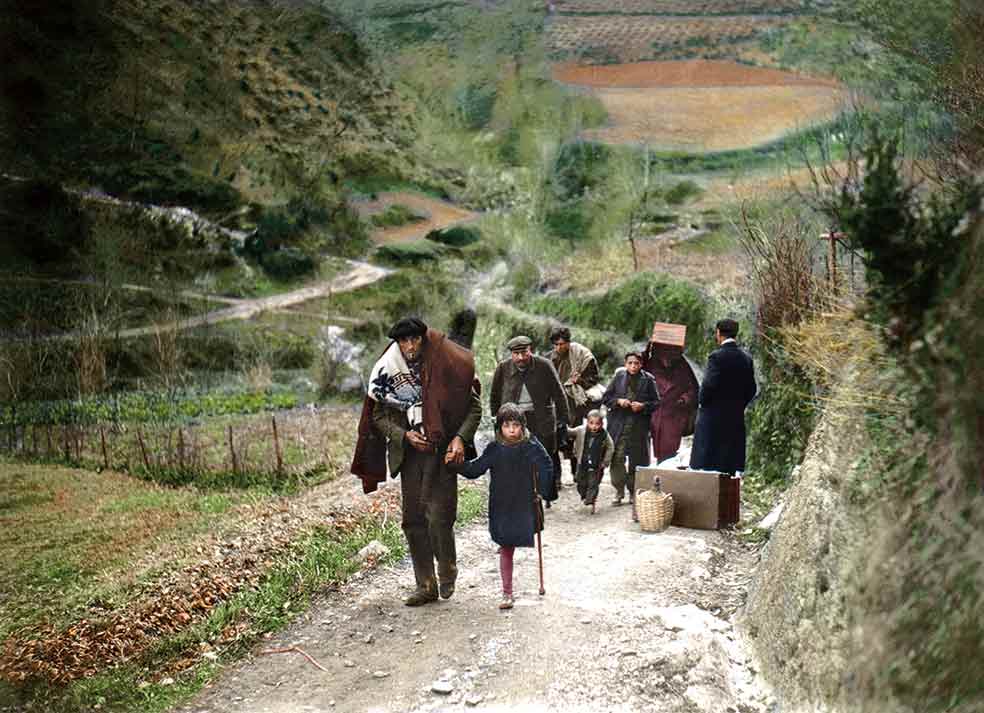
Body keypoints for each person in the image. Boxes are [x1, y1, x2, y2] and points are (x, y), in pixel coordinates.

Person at [350, 317, 481, 607]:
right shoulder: (388, 371)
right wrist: (404, 435)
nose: (410, 346)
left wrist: (460, 438)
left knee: (440, 517)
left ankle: (447, 568)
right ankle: (426, 584)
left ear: (423, 339)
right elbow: (379, 415)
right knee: (413, 520)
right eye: (403, 341)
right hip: (410, 457)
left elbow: (473, 406)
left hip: (441, 452)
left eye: (415, 340)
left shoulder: (444, 365)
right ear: (397, 343)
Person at [452, 404, 555, 610]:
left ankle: (510, 589)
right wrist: (457, 465)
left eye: (516, 425)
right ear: (499, 427)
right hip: (502, 505)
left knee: (512, 542)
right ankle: (507, 593)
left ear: (522, 426)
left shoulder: (530, 446)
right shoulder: (494, 449)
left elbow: (546, 465)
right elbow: (475, 469)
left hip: (524, 503)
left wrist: (543, 491)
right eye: (507, 425)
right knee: (506, 546)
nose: (512, 430)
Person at [490, 335, 570, 504]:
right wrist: (496, 420)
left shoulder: (544, 365)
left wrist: (563, 419)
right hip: (515, 420)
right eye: (516, 354)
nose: (520, 358)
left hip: (541, 418)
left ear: (530, 351)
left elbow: (558, 393)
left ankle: (546, 491)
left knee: (544, 454)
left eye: (524, 353)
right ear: (511, 354)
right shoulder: (503, 368)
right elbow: (495, 396)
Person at [690, 319, 757, 475]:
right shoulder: (746, 358)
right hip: (735, 417)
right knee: (728, 462)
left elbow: (708, 385)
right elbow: (751, 389)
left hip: (713, 417)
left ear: (718, 333)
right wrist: (739, 405)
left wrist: (702, 403)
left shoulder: (716, 357)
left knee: (708, 462)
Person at [602, 352, 660, 519]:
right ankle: (619, 490)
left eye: (636, 363)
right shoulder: (619, 376)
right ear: (625, 364)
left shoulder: (648, 379)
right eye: (630, 363)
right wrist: (619, 401)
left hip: (638, 426)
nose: (633, 366)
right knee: (617, 458)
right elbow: (606, 398)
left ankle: (634, 492)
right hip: (618, 424)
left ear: (641, 364)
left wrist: (642, 406)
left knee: (637, 460)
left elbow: (657, 403)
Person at [643, 341, 699, 463]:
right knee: (647, 448)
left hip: (674, 414)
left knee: (668, 451)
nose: (666, 359)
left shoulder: (682, 367)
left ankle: (665, 471)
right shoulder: (652, 363)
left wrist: (684, 399)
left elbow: (693, 389)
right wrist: (647, 350)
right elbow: (639, 370)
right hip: (654, 413)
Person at [566, 409, 614, 514]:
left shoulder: (604, 435)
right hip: (582, 462)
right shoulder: (581, 430)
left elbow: (610, 447)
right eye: (591, 423)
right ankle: (584, 495)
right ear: (587, 422)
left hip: (596, 464)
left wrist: (605, 461)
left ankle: (590, 500)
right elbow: (570, 432)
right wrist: (563, 425)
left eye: (597, 424)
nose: (594, 426)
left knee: (593, 483)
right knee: (579, 480)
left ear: (602, 424)